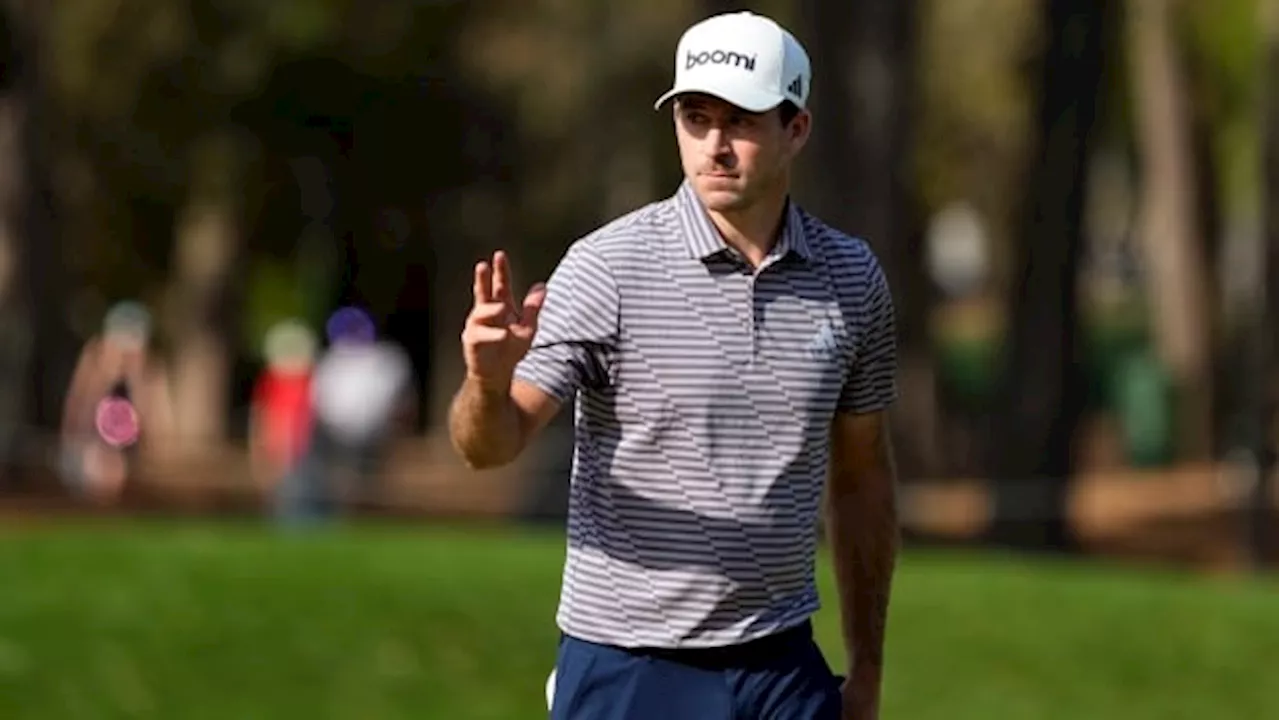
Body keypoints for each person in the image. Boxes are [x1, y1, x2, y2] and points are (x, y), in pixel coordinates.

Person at [448, 11, 899, 720]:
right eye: (696, 117)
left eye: (742, 121)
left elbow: (863, 475)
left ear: (797, 129)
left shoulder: (851, 277)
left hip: (782, 665)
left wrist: (867, 667)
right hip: (630, 666)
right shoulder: (609, 268)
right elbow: (490, 444)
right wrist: (487, 380)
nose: (715, 146)